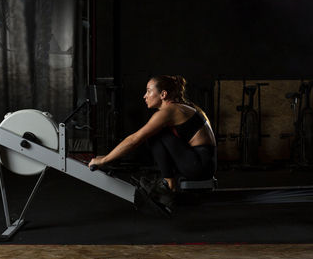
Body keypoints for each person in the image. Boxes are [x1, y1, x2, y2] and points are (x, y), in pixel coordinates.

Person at [88, 75, 217, 209]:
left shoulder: (169, 111)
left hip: (199, 166)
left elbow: (134, 140)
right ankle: (168, 183)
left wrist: (104, 160)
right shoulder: (181, 107)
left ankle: (167, 185)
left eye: (149, 91)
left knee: (153, 134)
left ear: (163, 94)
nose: (145, 96)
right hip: (203, 164)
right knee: (156, 133)